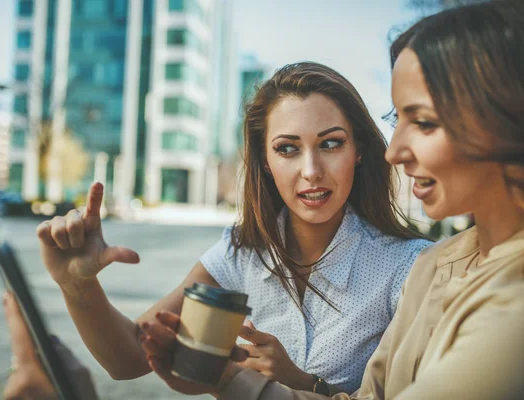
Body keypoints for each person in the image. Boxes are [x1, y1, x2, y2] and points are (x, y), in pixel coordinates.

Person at [138, 0, 524, 398]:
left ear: (506, 118)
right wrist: (231, 380)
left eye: (424, 122)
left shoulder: (437, 275)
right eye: (399, 121)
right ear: (264, 160)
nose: (394, 151)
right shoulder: (434, 267)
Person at [5, 61, 430, 397]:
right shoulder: (239, 251)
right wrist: (80, 287)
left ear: (357, 150)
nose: (311, 171)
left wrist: (300, 382)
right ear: (265, 160)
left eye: (331, 143)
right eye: (287, 149)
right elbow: (130, 358)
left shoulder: (411, 267)